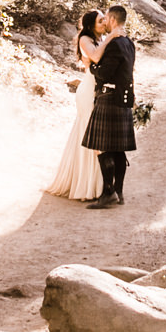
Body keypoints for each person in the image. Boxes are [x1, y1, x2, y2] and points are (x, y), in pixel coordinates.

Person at [43, 11, 106, 200]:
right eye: (100, 20)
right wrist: (112, 38)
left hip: (100, 90)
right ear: (90, 25)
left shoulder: (101, 38)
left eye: (104, 19)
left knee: (97, 133)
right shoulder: (85, 39)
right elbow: (95, 57)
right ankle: (86, 186)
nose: (104, 22)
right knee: (90, 133)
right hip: (88, 91)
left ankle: (97, 184)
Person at [81, 3, 138, 209]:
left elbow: (104, 73)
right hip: (123, 98)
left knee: (102, 146)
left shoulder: (113, 44)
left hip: (109, 98)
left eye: (106, 18)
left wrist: (92, 66)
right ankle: (119, 192)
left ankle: (108, 193)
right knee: (119, 149)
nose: (105, 22)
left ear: (113, 20)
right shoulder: (129, 43)